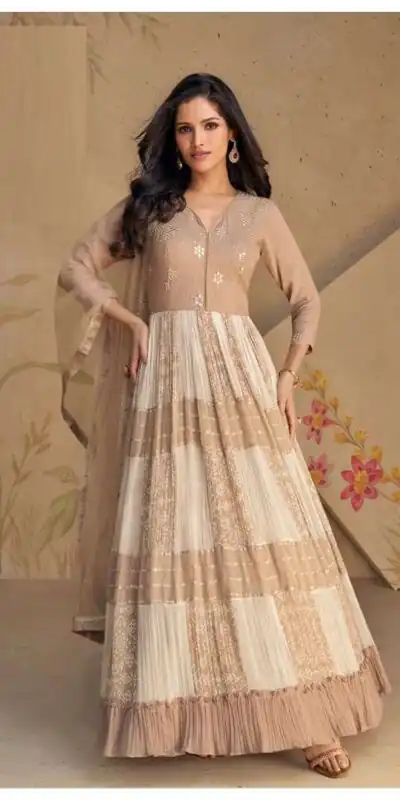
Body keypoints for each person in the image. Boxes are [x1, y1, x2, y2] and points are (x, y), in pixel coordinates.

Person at [57, 73, 390, 778]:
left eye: (209, 126)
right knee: (178, 535)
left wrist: (288, 373)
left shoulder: (259, 215)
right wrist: (124, 318)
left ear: (232, 134)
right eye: (185, 128)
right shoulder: (150, 209)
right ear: (174, 140)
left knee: (263, 540)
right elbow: (78, 266)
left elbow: (305, 300)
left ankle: (308, 718)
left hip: (241, 386)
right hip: (168, 390)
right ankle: (194, 710)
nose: (197, 140)